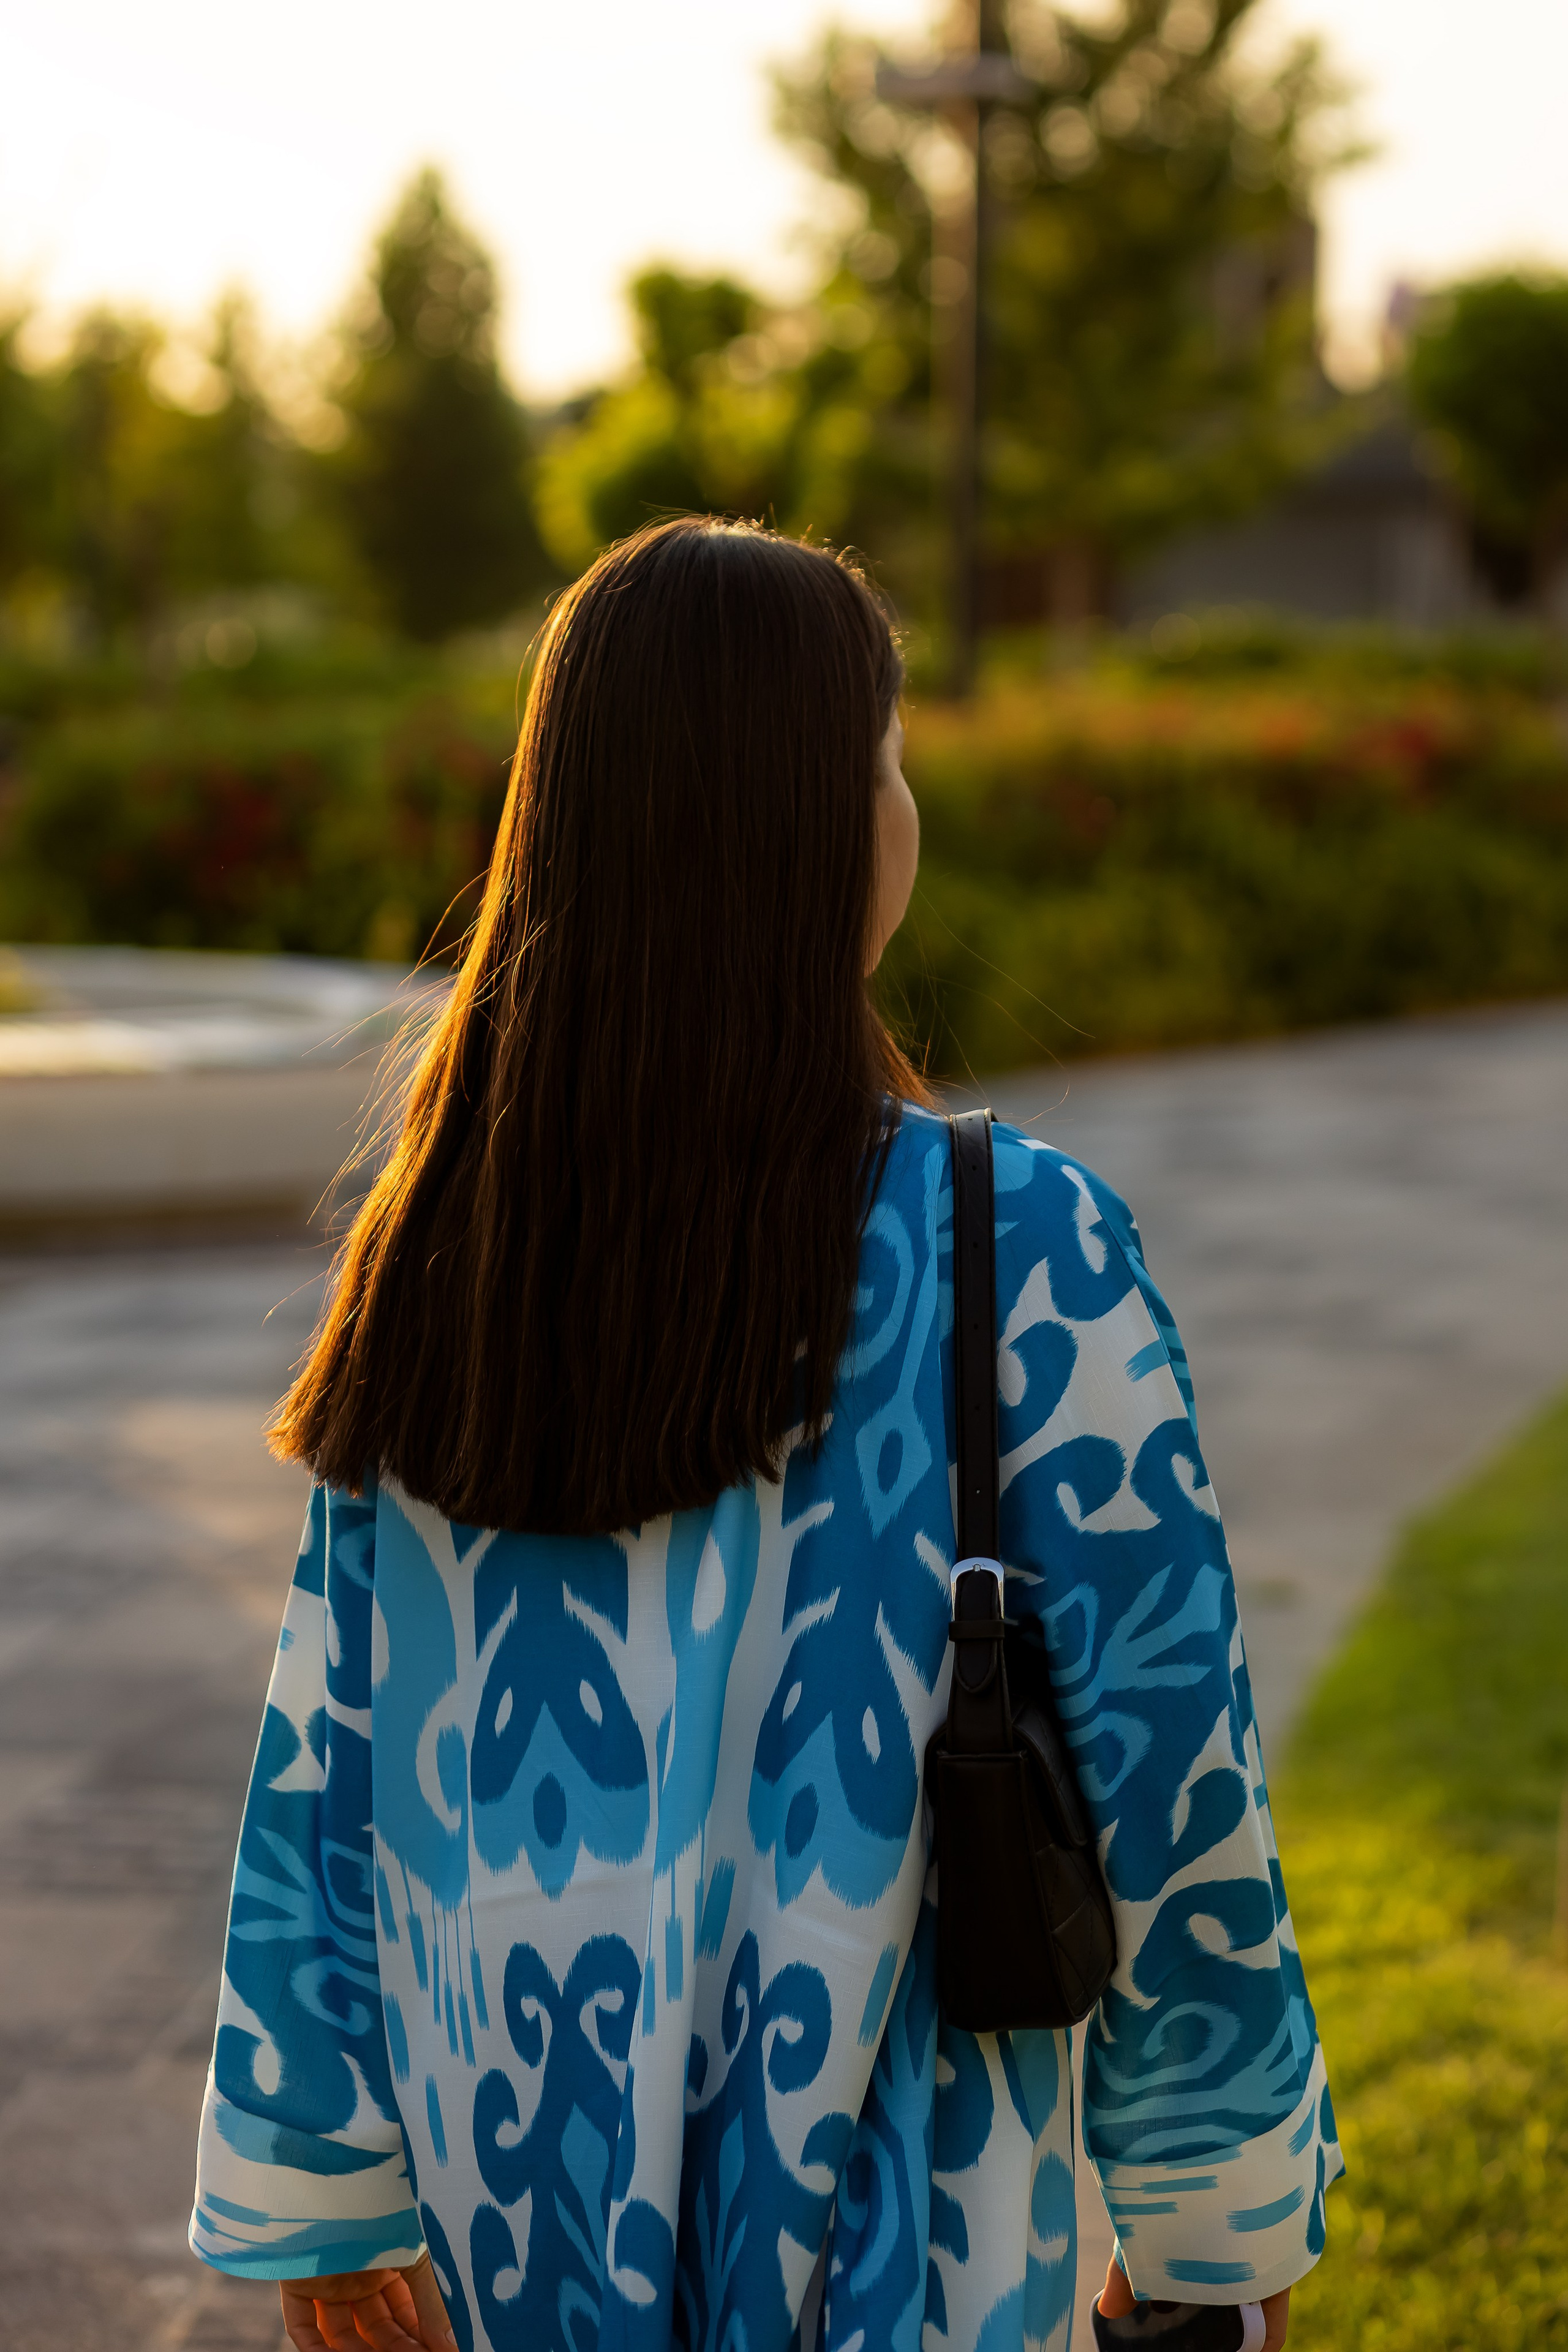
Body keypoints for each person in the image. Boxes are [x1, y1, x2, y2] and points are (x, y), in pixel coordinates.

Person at [188, 519, 1341, 2352]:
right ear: (818, 822)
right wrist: (1213, 2214)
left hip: (508, 2203)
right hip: (912, 2235)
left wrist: (324, 2193)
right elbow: (1170, 1759)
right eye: (888, 760)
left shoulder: (448, 1242)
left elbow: (330, 1744)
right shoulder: (1017, 1244)